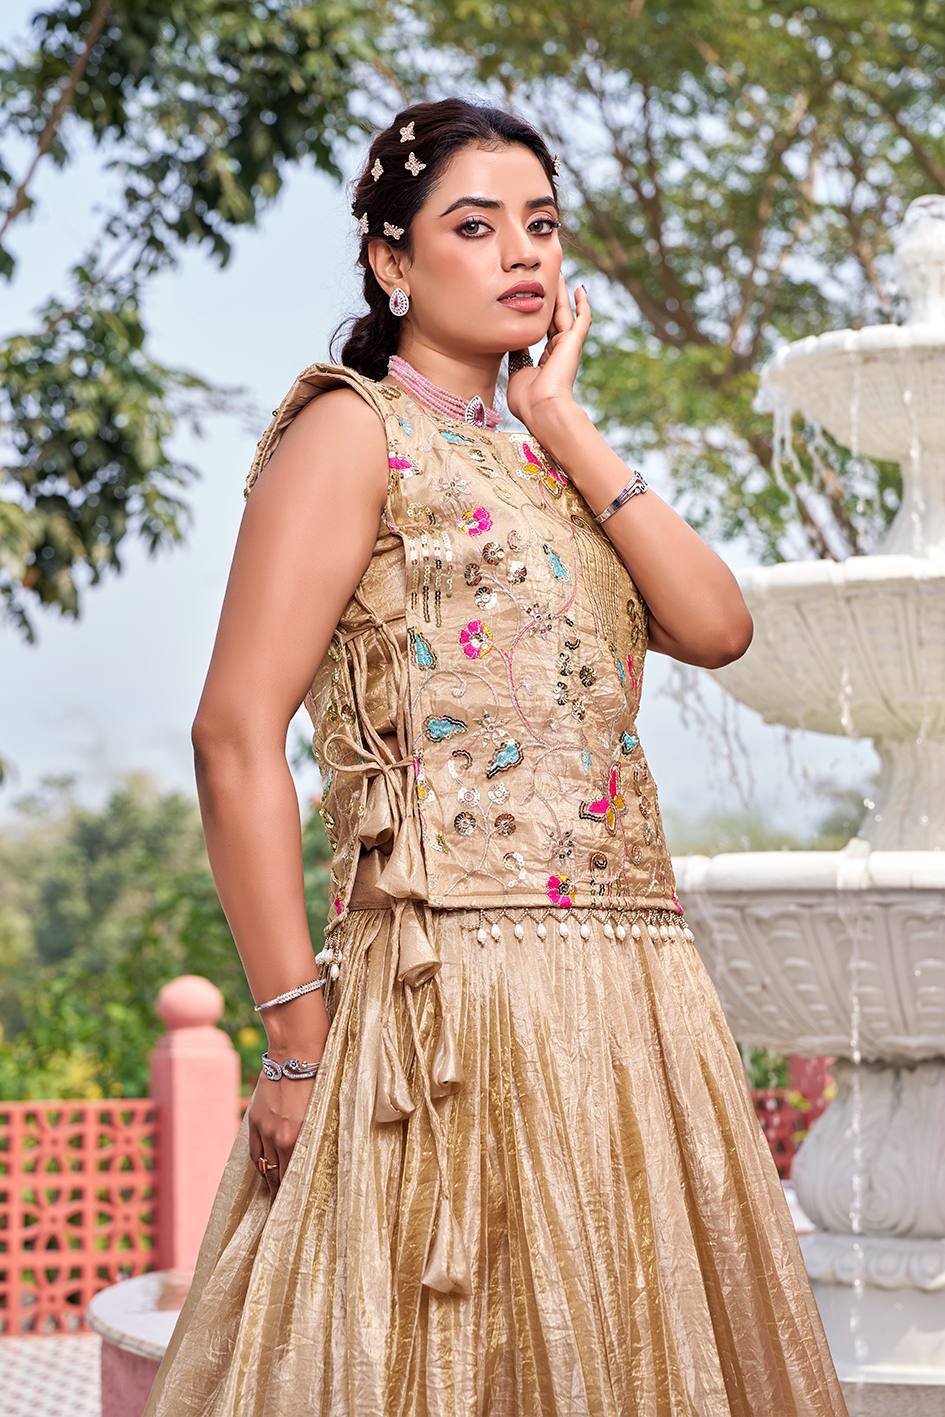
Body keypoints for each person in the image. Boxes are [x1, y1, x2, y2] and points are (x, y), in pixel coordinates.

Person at [142, 97, 848, 1416]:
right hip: (448, 993)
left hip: (632, 993)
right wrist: (292, 1034)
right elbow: (231, 732)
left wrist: (561, 419)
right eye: (474, 226)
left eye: (542, 224)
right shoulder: (352, 428)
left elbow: (717, 625)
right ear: (391, 262)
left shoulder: (547, 458)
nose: (523, 251)